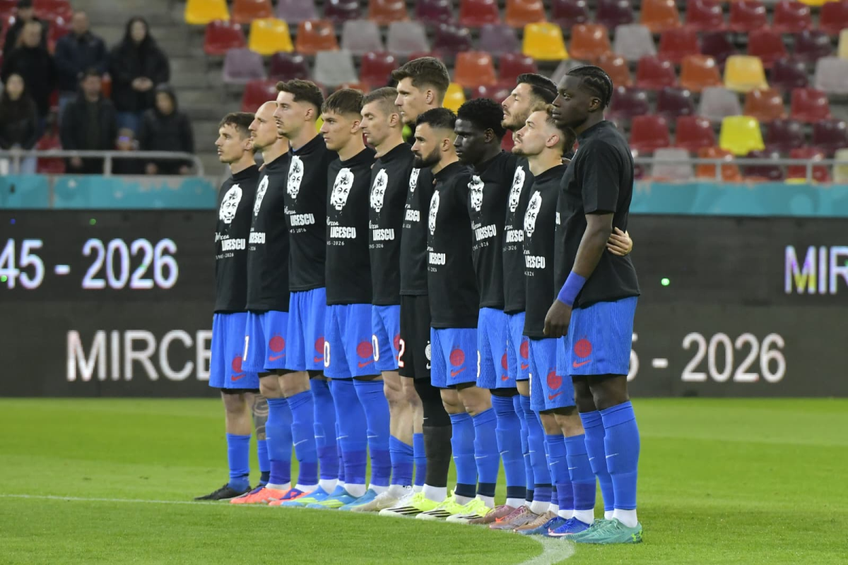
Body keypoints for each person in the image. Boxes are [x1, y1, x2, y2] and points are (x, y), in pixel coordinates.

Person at [545, 65, 643, 544]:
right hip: (589, 291)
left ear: (593, 102)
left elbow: (600, 229)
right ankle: (609, 517)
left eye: (566, 95)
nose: (555, 103)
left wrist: (565, 296)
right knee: (586, 395)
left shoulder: (601, 147)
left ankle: (625, 519)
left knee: (607, 391)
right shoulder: (591, 146)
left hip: (600, 290)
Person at [299, 88, 393, 512]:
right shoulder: (336, 170)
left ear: (357, 124)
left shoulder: (377, 171)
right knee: (338, 386)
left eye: (331, 122)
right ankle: (350, 483)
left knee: (370, 388)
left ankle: (387, 482)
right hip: (334, 295)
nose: (324, 130)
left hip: (364, 295)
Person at [231, 100, 320, 507]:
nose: (254, 127)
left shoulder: (291, 173)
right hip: (260, 294)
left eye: (262, 121)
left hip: (286, 293)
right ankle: (277, 482)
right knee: (268, 385)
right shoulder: (267, 174)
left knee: (294, 383)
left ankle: (313, 479)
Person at [380, 58, 455, 518]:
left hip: (435, 291)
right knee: (417, 388)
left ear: (429, 95)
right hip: (408, 288)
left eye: (405, 93)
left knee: (443, 390)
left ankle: (451, 490)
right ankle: (421, 486)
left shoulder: (447, 156)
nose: (398, 100)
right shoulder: (416, 154)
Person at [448, 98, 525, 525]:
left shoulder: (515, 171)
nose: (456, 142)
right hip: (488, 303)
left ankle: (540, 498)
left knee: (528, 403)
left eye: (464, 135)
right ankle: (514, 500)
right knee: (504, 402)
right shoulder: (470, 179)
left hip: (516, 301)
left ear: (491, 136)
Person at [408, 108, 487, 523]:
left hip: (464, 307)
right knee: (451, 400)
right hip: (441, 307)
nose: (413, 146)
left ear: (442, 142)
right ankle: (464, 492)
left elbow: (481, 244)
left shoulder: (463, 184)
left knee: (474, 398)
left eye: (419, 139)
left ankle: (486, 496)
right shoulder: (438, 183)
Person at [269, 79, 341, 508]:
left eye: (284, 106)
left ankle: (336, 481)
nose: (277, 113)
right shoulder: (294, 158)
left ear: (309, 113)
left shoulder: (326, 159)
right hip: (298, 286)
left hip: (323, 286)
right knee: (308, 382)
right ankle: (316, 480)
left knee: (325, 381)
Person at [352, 87, 423, 512]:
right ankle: (397, 486)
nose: (362, 125)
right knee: (393, 393)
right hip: (378, 296)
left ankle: (422, 486)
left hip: (402, 295)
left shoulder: (410, 166)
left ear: (394, 119)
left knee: (414, 392)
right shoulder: (377, 168)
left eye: (369, 117)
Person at [496, 73, 558, 531]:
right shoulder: (518, 165)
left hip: (540, 299)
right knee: (521, 398)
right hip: (513, 294)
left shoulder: (555, 169)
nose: (507, 103)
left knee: (545, 401)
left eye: (516, 97)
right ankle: (533, 498)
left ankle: (553, 500)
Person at [195, 111, 269, 501]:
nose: (218, 142)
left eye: (226, 135)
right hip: (226, 303)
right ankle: (238, 480)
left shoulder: (262, 184)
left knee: (260, 394)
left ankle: (270, 479)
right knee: (230, 394)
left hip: (249, 302)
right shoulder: (228, 187)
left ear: (248, 143)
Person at [108, 17, 170, 133]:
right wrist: (131, 81)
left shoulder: (156, 52)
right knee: (125, 138)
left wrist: (152, 82)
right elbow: (114, 71)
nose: (138, 32)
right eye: (135, 29)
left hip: (150, 104)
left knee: (147, 140)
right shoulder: (118, 51)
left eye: (141, 29)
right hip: (125, 106)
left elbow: (164, 73)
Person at [59, 69, 117, 175]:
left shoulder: (108, 106)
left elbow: (113, 133)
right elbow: (66, 133)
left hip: (100, 161)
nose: (94, 85)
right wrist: (72, 154)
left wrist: (108, 156)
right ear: (83, 84)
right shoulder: (72, 106)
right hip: (77, 160)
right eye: (90, 82)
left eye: (97, 82)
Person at [54, 11, 108, 117]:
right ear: (72, 23)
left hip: (93, 95)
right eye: (78, 21)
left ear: (87, 22)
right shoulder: (63, 42)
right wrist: (78, 73)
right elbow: (60, 62)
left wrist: (93, 75)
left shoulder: (98, 42)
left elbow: (105, 61)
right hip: (69, 92)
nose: (81, 24)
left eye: (83, 21)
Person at [1, 20, 54, 119]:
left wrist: (45, 91)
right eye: (31, 34)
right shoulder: (13, 55)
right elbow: (4, 76)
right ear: (24, 34)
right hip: (16, 106)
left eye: (37, 35)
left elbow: (53, 76)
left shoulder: (45, 55)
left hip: (40, 105)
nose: (34, 37)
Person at [138, 85, 194, 175]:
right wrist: (147, 163)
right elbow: (143, 143)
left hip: (177, 165)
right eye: (158, 100)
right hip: (155, 165)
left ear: (172, 100)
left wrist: (186, 164)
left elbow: (188, 142)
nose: (161, 103)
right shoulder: (148, 117)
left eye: (164, 99)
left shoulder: (182, 117)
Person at [0, 73, 39, 174]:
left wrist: (24, 148)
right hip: (4, 148)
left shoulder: (30, 105)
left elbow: (34, 130)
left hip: (27, 148)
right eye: (12, 82)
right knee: (7, 181)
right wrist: (8, 148)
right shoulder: (1, 105)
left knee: (27, 180)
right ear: (6, 85)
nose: (15, 85)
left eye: (19, 82)